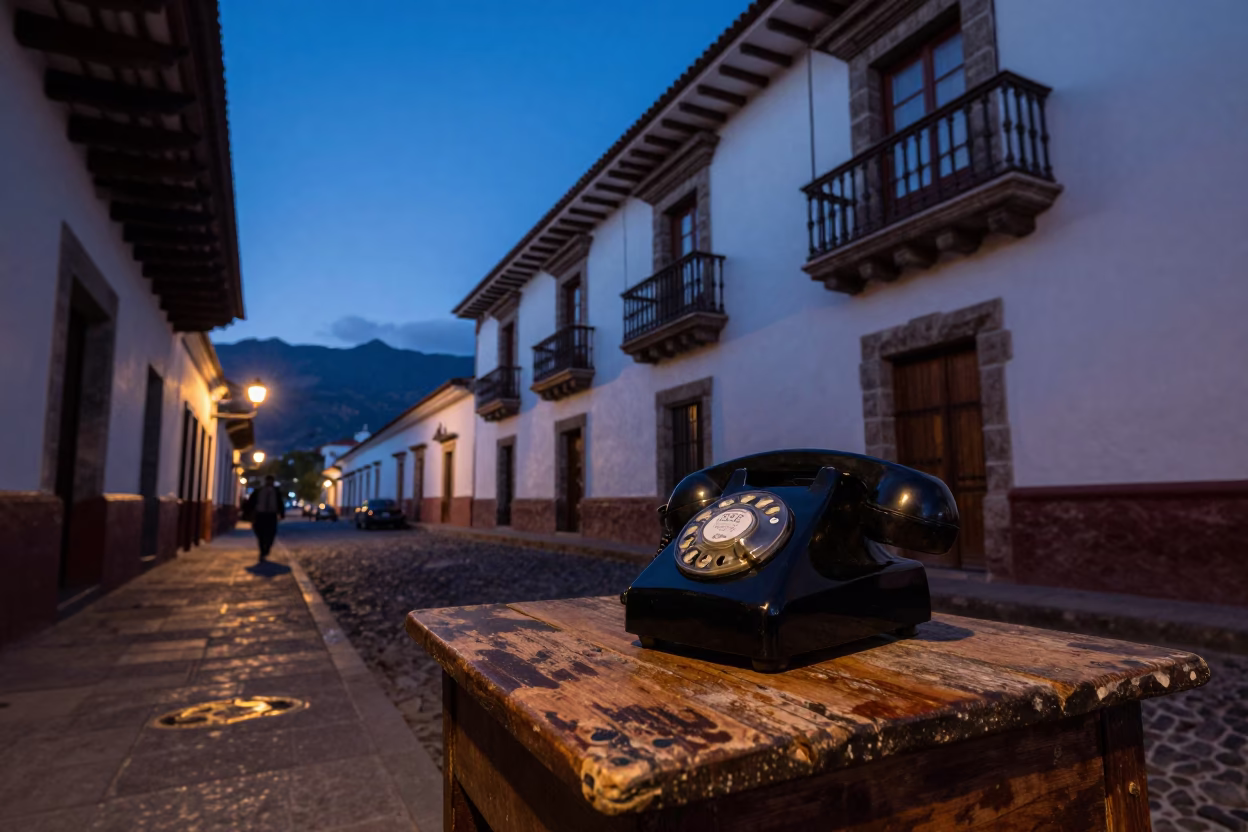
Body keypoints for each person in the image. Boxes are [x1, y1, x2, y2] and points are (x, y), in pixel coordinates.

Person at [245, 475, 285, 561]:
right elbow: (251, 502)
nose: (269, 483)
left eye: (271, 481)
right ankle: (262, 550)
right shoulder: (259, 491)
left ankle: (267, 549)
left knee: (271, 534)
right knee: (260, 533)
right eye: (268, 481)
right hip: (260, 515)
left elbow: (280, 503)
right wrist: (248, 513)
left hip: (271, 515)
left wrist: (282, 514)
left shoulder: (276, 492)